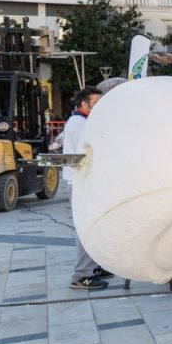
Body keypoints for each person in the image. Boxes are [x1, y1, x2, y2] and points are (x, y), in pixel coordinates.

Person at [65, 87, 113, 290]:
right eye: (96, 103)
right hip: (81, 182)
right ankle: (81, 275)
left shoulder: (83, 122)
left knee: (95, 226)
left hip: (87, 181)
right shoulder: (79, 124)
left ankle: (93, 266)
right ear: (84, 104)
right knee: (86, 228)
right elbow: (88, 153)